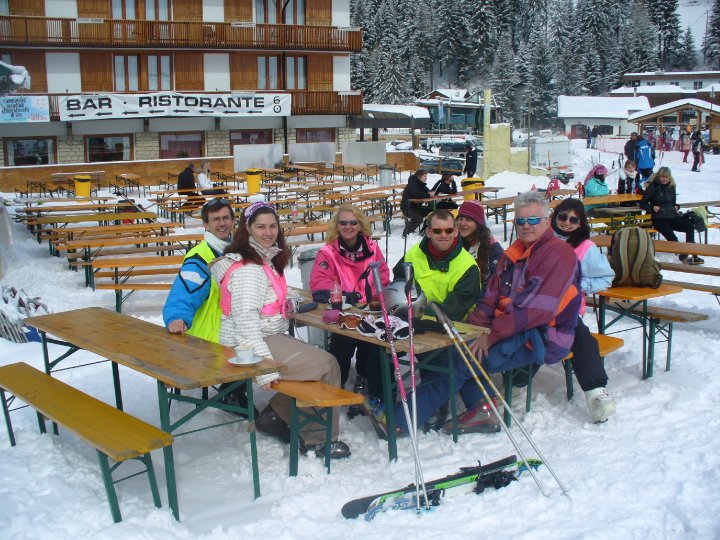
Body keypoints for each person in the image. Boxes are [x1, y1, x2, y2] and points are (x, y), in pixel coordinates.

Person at [210, 201, 351, 459]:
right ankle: (320, 440)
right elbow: (245, 322)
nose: (268, 232)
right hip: (248, 346)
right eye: (260, 226)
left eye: (273, 226)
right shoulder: (248, 270)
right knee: (327, 365)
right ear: (248, 229)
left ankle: (276, 416)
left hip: (265, 336)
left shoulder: (263, 260)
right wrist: (265, 370)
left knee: (315, 360)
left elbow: (259, 308)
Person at [366, 209, 481, 436]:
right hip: (410, 320)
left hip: (449, 329)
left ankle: (435, 404)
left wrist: (418, 315)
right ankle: (381, 399)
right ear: (428, 231)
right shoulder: (413, 255)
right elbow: (398, 284)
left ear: (456, 231)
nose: (443, 235)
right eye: (437, 230)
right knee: (378, 348)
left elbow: (454, 311)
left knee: (437, 359)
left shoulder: (467, 266)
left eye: (449, 230)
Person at [162, 198, 253, 415]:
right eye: (215, 220)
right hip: (210, 334)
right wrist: (178, 317)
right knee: (251, 343)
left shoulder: (239, 250)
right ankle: (232, 392)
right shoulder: (200, 258)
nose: (222, 224)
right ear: (205, 224)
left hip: (232, 326)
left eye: (226, 218)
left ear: (233, 221)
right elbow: (183, 292)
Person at [309, 204, 391, 416]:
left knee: (373, 342)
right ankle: (337, 383)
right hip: (342, 310)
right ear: (337, 226)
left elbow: (383, 277)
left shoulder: (372, 249)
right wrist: (346, 296)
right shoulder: (328, 252)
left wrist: (370, 300)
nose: (348, 227)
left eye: (353, 222)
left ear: (360, 224)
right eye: (343, 223)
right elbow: (319, 283)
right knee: (342, 343)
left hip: (369, 311)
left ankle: (365, 379)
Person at [550, 198, 617, 423]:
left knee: (579, 334)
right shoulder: (542, 239)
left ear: (580, 224)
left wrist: (578, 286)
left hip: (567, 308)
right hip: (538, 304)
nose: (567, 223)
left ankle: (595, 393)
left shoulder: (586, 248)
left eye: (573, 220)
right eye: (562, 217)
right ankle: (517, 383)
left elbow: (606, 277)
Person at [640, 167, 703, 265]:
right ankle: (682, 256)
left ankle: (693, 254)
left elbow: (673, 202)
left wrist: (677, 206)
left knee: (689, 227)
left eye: (666, 177)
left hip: (672, 216)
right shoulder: (653, 186)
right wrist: (652, 207)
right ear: (659, 177)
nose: (664, 179)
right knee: (673, 239)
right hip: (659, 218)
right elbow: (642, 203)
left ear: (669, 178)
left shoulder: (671, 186)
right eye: (662, 177)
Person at [456, 200, 504, 292]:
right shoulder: (454, 242)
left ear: (478, 223)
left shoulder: (492, 247)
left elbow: (494, 282)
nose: (463, 223)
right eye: (460, 218)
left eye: (468, 219)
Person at [400, 169, 432, 237]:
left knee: (432, 212)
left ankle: (424, 230)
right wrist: (428, 195)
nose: (426, 178)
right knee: (418, 219)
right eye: (424, 176)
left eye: (426, 176)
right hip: (407, 207)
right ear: (419, 176)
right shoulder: (412, 184)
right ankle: (406, 233)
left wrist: (430, 192)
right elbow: (417, 194)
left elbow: (427, 191)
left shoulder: (421, 184)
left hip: (416, 206)